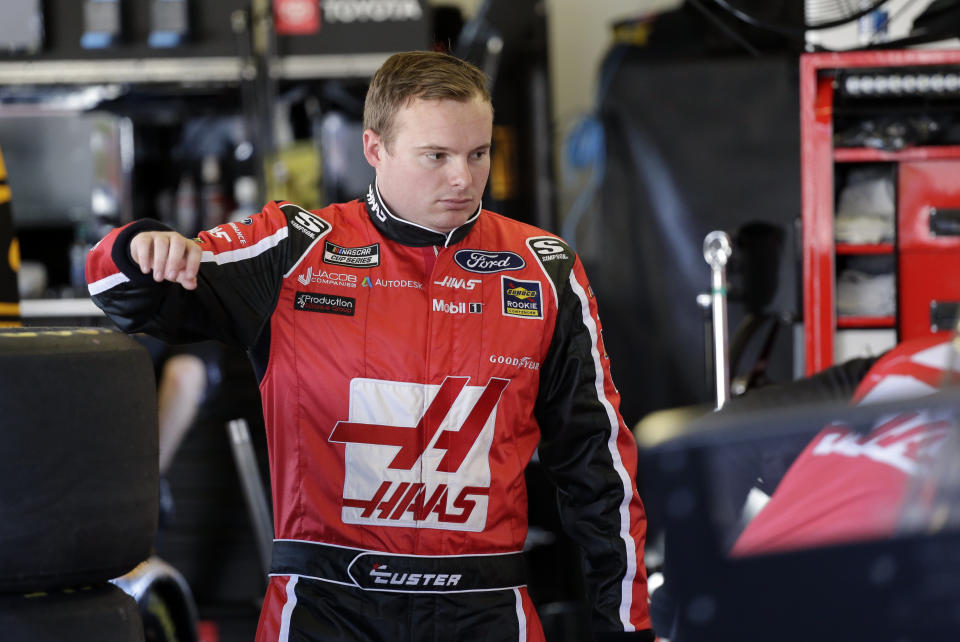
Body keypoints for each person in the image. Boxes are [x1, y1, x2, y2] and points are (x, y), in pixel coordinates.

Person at [86, 51, 653, 641]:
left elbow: (599, 469)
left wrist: (630, 629)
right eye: (436, 156)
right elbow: (121, 291)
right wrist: (140, 247)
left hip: (485, 609)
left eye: (478, 153)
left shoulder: (543, 269)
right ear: (374, 149)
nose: (463, 177)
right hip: (323, 610)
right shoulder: (293, 248)